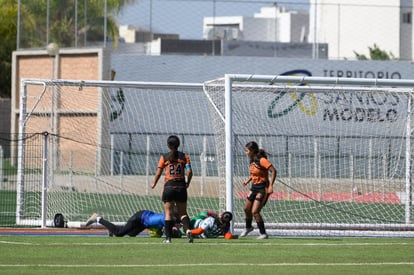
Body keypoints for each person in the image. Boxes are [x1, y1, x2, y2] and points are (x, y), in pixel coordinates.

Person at [151, 135, 193, 243]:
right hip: (181, 187)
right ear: (178, 144)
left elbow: (159, 172)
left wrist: (154, 183)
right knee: (183, 212)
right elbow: (189, 171)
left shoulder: (164, 157)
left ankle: (168, 238)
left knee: (168, 213)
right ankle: (188, 230)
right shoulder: (184, 157)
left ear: (168, 145)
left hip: (169, 187)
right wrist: (187, 182)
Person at [240, 141, 277, 239]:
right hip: (254, 187)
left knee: (255, 211)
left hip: (263, 188)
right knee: (246, 209)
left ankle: (263, 233)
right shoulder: (252, 160)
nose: (246, 152)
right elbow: (255, 173)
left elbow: (273, 171)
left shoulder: (262, 160)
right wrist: (248, 181)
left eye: (247, 150)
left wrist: (271, 186)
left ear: (252, 151)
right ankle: (248, 227)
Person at [85, 210, 182, 238]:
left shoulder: (169, 219)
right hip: (140, 217)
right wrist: (176, 233)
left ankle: (112, 228)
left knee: (131, 234)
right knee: (119, 234)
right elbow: (168, 232)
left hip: (144, 222)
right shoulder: (167, 219)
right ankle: (98, 218)